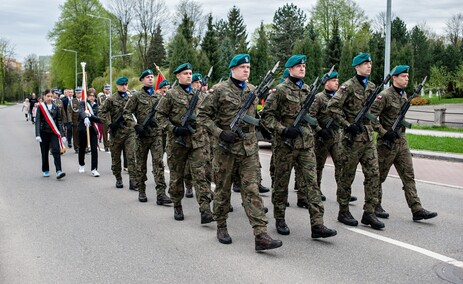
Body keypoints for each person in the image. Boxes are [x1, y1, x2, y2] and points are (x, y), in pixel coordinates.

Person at [198, 54, 282, 251]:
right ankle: (221, 226)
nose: (246, 70)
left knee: (251, 190)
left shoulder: (252, 90)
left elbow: (254, 117)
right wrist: (220, 133)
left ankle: (261, 234)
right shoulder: (218, 91)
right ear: (233, 69)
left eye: (248, 67)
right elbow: (202, 117)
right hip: (226, 150)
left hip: (249, 150)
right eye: (243, 67)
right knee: (223, 190)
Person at [261, 55, 337, 239]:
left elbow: (312, 116)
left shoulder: (308, 90)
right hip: (285, 146)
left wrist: (314, 128)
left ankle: (317, 224)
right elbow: (267, 117)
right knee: (281, 183)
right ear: (290, 69)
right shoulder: (279, 91)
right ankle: (280, 218)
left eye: (304, 65)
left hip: (306, 145)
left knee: (311, 184)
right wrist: (284, 130)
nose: (302, 68)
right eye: (298, 66)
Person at [370, 65, 438, 221]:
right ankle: (375, 205)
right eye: (403, 76)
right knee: (378, 176)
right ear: (394, 78)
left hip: (401, 142)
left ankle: (416, 208)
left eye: (407, 76)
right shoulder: (384, 96)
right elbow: (371, 118)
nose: (407, 78)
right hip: (386, 144)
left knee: (408, 176)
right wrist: (384, 132)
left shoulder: (404, 95)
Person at [326, 52, 385, 230]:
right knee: (346, 176)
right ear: (357, 67)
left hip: (367, 137)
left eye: (370, 63)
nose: (369, 66)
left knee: (374, 174)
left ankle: (369, 212)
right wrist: (347, 124)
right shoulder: (347, 87)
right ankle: (343, 210)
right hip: (351, 140)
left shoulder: (373, 86)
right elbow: (332, 107)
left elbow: (373, 112)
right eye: (365, 63)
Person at [156, 65, 214, 223]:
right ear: (178, 76)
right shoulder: (170, 95)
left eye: (190, 73)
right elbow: (160, 116)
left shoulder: (199, 94)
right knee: (176, 176)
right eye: (185, 73)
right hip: (177, 142)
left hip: (197, 141)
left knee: (201, 175)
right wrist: (173, 128)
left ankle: (205, 209)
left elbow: (207, 115)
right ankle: (177, 204)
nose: (189, 76)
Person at [123, 69, 172, 204]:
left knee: (158, 164)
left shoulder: (158, 97)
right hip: (141, 136)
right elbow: (126, 113)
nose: (151, 79)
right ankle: (142, 191)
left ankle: (161, 194)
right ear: (142, 80)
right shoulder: (137, 96)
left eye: (152, 77)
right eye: (147, 77)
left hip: (156, 135)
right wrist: (135, 125)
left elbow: (165, 114)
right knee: (141, 165)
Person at [309, 71, 358, 203]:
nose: (337, 82)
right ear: (326, 82)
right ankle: (316, 191)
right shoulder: (318, 97)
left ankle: (343, 193)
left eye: (337, 80)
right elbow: (311, 117)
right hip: (322, 137)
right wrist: (319, 130)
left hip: (337, 136)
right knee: (318, 166)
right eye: (333, 80)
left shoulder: (340, 97)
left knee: (341, 165)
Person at [100, 76, 138, 190]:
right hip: (116, 133)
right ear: (117, 86)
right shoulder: (111, 99)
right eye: (122, 85)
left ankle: (133, 181)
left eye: (126, 85)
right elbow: (101, 112)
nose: (124, 87)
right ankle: (118, 178)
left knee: (131, 156)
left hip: (129, 131)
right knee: (116, 158)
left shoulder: (131, 98)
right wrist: (109, 124)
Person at [35, 89, 66, 179]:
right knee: (44, 152)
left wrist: (62, 134)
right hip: (43, 132)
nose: (49, 98)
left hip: (53, 132)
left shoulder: (56, 107)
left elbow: (59, 121)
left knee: (56, 151)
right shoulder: (41, 107)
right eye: (48, 96)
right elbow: (38, 121)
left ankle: (59, 171)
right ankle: (45, 170)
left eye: (51, 96)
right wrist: (37, 134)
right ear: (44, 96)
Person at [77, 88, 101, 177]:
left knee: (94, 149)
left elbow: (99, 119)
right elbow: (81, 111)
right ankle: (81, 164)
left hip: (93, 129)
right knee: (82, 147)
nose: (91, 97)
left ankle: (94, 169)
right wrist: (85, 117)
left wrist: (90, 115)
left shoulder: (97, 106)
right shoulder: (83, 103)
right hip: (83, 128)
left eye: (93, 96)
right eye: (90, 96)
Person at [68, 87, 82, 153]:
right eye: (77, 93)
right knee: (76, 134)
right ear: (75, 94)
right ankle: (76, 147)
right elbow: (69, 111)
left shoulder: (84, 100)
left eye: (79, 93)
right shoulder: (72, 101)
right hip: (75, 120)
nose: (78, 94)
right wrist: (70, 120)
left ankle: (83, 147)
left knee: (83, 134)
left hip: (82, 120)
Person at [98, 84, 111, 152]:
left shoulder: (112, 96)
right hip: (104, 116)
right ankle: (106, 145)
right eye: (106, 89)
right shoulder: (101, 97)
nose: (107, 90)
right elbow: (101, 106)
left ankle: (110, 144)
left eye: (108, 89)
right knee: (105, 131)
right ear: (103, 90)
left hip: (111, 116)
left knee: (111, 131)